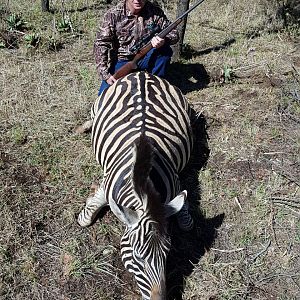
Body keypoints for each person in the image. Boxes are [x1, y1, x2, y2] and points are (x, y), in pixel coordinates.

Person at [94, 0, 179, 95]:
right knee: (104, 95)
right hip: (122, 61)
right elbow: (100, 44)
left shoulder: (154, 11)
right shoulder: (113, 15)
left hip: (148, 57)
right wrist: (105, 74)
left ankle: (157, 83)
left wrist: (164, 41)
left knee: (165, 50)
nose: (137, 0)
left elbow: (174, 34)